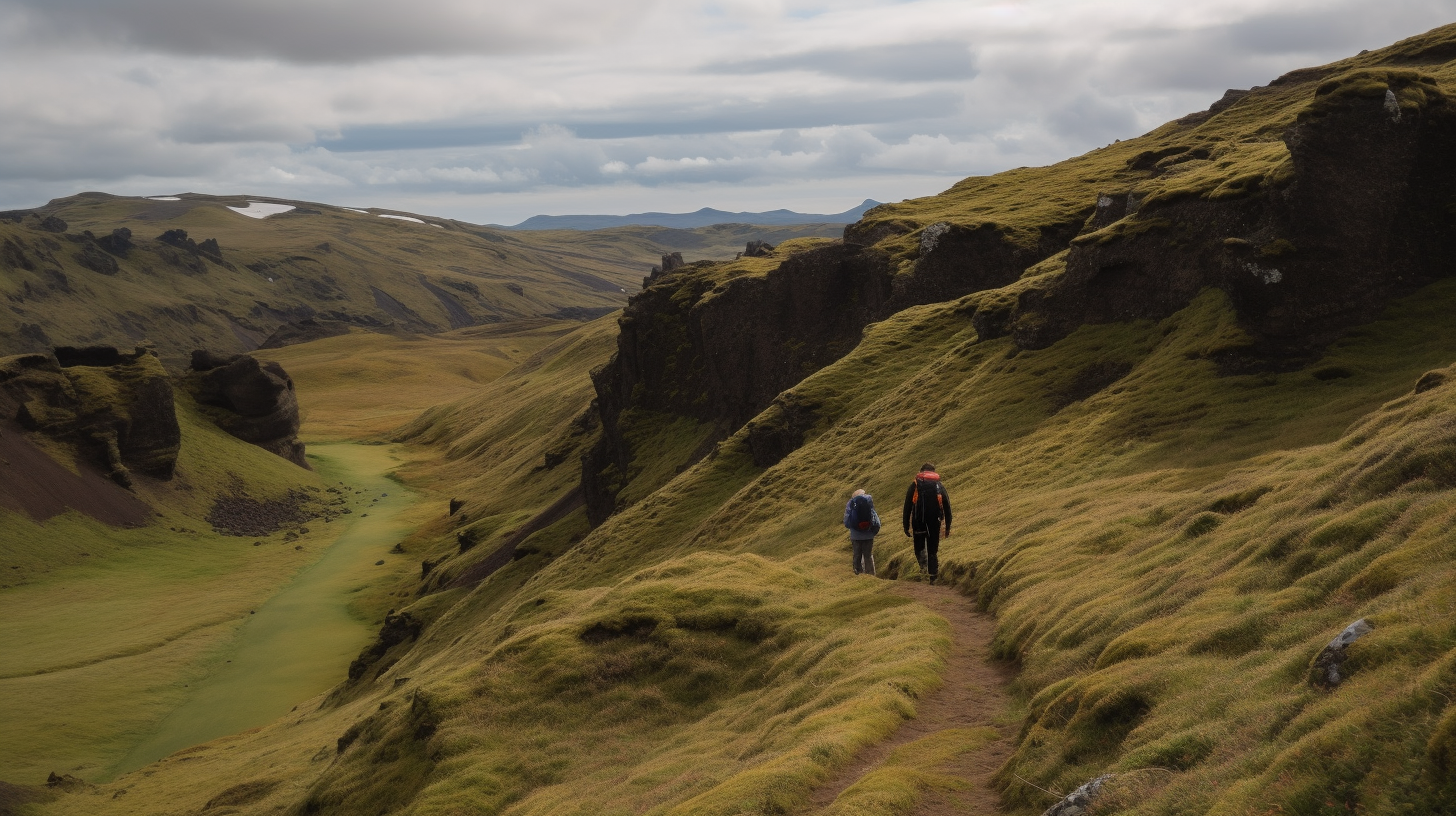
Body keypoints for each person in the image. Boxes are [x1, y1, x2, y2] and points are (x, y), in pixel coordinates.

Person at [902, 463, 952, 584]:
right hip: (935, 523)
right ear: (933, 472)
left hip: (918, 522)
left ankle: (923, 569)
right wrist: (948, 527)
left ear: (921, 471)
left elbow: (907, 506)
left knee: (919, 547)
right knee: (932, 550)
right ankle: (933, 576)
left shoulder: (915, 485)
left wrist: (906, 526)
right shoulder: (938, 485)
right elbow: (947, 507)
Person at [843, 488, 880, 576]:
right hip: (868, 535)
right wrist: (873, 532)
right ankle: (870, 574)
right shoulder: (868, 503)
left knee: (857, 555)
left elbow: (847, 522)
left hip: (855, 536)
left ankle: (858, 573)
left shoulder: (851, 504)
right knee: (868, 555)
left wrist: (854, 528)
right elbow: (876, 520)